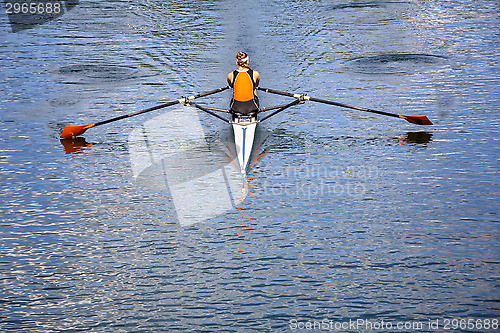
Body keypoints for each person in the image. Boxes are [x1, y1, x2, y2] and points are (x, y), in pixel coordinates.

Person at [227, 52, 260, 117]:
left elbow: (231, 86)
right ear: (247, 61)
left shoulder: (230, 75)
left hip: (236, 108)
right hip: (252, 107)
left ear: (237, 62)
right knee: (254, 89)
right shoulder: (255, 74)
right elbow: (256, 85)